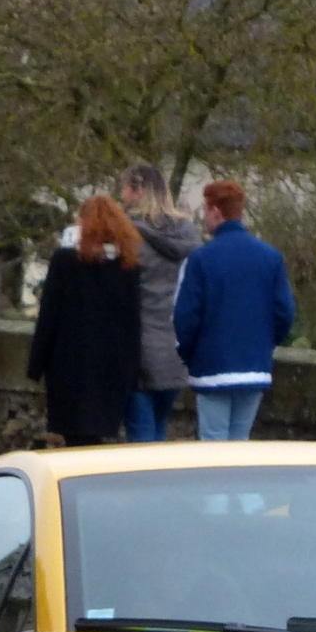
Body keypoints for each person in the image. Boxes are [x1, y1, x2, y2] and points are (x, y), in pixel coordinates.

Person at [172, 178, 294, 441]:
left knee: (214, 446)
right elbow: (284, 313)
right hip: (254, 367)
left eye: (205, 211)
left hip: (212, 368)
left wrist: (190, 356)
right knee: (240, 443)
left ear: (216, 211)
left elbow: (185, 318)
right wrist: (264, 345)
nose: (204, 217)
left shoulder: (201, 259)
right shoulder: (270, 257)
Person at [26, 194, 141, 445]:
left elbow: (49, 316)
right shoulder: (128, 266)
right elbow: (133, 324)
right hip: (111, 368)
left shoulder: (65, 261)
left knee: (74, 437)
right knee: (95, 439)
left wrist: (36, 365)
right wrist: (132, 371)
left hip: (69, 365)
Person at [120, 163, 195, 442]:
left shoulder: (127, 235)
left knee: (140, 438)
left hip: (139, 347)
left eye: (126, 189)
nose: (123, 196)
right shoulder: (187, 233)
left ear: (137, 191)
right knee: (159, 428)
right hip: (176, 348)